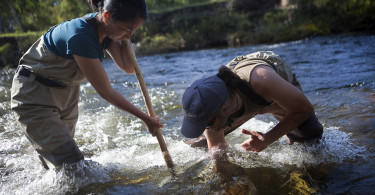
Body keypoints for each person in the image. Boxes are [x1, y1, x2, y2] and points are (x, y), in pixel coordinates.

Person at [10, 0, 163, 169]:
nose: (129, 35)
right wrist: (145, 118)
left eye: (134, 30)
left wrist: (127, 36)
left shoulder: (108, 30)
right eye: (127, 28)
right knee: (73, 165)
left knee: (60, 163)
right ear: (107, 16)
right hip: (34, 94)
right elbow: (106, 92)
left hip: (66, 91)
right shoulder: (81, 35)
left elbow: (128, 67)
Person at [181, 51, 323, 153]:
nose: (208, 127)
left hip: (274, 87)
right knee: (202, 144)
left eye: (207, 123)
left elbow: (305, 109)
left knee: (310, 140)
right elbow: (217, 150)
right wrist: (228, 185)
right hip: (237, 99)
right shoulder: (211, 105)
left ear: (225, 109)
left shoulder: (263, 81)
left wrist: (268, 138)